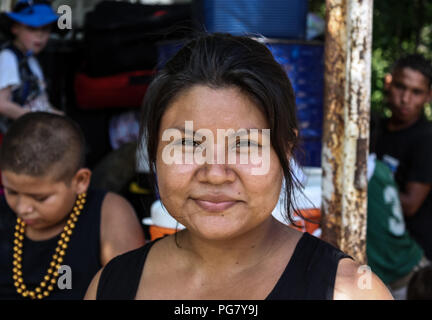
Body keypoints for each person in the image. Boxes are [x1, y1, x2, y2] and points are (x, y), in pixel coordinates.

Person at [85, 33, 392, 300]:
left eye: (245, 146)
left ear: (285, 154)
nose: (215, 174)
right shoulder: (110, 287)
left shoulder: (350, 292)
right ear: (154, 151)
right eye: (188, 145)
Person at [0, 112, 146, 300]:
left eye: (40, 198)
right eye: (12, 192)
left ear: (80, 181)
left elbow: (127, 291)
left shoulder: (108, 213)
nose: (22, 208)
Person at [375, 54, 432, 260]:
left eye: (416, 92)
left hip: (411, 260)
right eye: (401, 87)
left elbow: (410, 205)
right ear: (388, 83)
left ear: (428, 96)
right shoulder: (374, 129)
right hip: (378, 250)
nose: (405, 99)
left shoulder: (426, 139)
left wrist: (370, 187)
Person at [0, 0, 62, 134]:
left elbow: (39, 102)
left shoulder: (32, 60)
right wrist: (38, 120)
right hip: (17, 139)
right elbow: (1, 104)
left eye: (45, 29)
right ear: (15, 28)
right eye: (32, 28)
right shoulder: (8, 58)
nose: (40, 35)